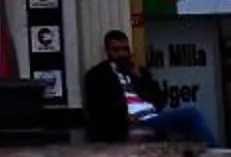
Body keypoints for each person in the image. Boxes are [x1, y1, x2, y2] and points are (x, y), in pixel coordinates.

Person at [82, 29, 217, 148]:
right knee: (191, 114)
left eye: (125, 49)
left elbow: (160, 99)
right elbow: (96, 109)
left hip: (152, 116)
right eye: (116, 50)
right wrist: (123, 118)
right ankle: (213, 150)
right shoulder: (97, 75)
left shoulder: (137, 71)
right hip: (130, 120)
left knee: (188, 121)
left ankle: (204, 152)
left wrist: (141, 78)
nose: (122, 54)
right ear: (107, 51)